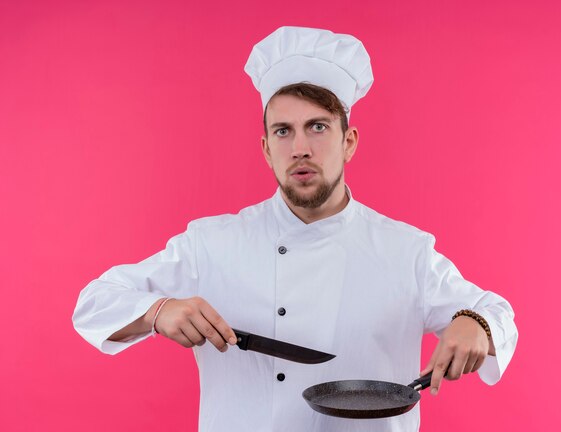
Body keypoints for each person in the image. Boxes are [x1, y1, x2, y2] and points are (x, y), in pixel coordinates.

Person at [73, 26, 518, 432]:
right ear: (266, 149)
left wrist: (473, 322)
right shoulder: (210, 244)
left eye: (318, 127)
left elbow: (495, 312)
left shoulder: (408, 251)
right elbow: (93, 303)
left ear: (349, 141)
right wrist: (157, 312)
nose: (300, 148)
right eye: (283, 131)